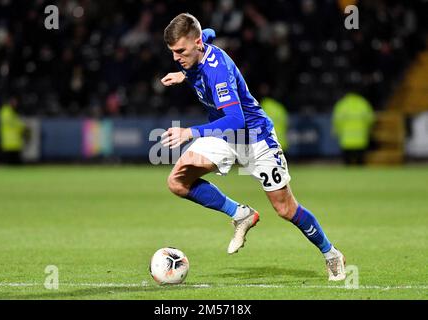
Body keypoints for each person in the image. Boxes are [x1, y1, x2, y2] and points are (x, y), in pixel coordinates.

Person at [160, 13, 346, 281]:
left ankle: (332, 255)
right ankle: (240, 214)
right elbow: (209, 32)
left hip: (256, 138)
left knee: (285, 209)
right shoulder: (198, 48)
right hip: (224, 136)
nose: (177, 57)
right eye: (173, 52)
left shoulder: (217, 72)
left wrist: (190, 132)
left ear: (197, 43)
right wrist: (183, 74)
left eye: (180, 51)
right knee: (177, 182)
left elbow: (236, 119)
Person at [332, 91, 375, 165]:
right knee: (360, 163)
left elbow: (336, 121)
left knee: (347, 164)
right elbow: (370, 119)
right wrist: (367, 130)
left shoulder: (342, 104)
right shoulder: (363, 103)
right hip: (361, 140)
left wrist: (337, 132)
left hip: (346, 141)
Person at [0, 97, 26, 164]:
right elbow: (11, 123)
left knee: (15, 161)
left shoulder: (12, 112)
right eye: (13, 102)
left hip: (15, 141)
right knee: (10, 161)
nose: (15, 104)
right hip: (9, 140)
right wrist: (22, 126)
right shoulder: (5, 111)